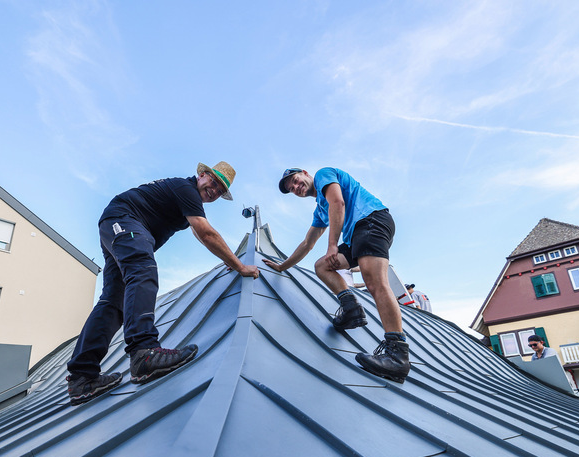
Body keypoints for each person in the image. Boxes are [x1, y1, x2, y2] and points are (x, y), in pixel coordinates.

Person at [66, 162, 260, 405]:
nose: (215, 190)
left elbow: (198, 233)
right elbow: (206, 232)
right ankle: (144, 353)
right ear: (202, 175)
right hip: (124, 220)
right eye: (214, 182)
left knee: (114, 300)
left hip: (115, 226)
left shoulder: (185, 196)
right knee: (142, 268)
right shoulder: (186, 188)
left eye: (221, 190)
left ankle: (82, 377)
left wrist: (227, 259)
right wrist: (240, 265)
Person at [263, 167, 410, 383]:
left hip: (371, 220)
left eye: (295, 181)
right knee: (322, 266)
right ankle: (352, 310)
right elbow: (307, 243)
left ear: (305, 173)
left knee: (375, 281)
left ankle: (398, 355)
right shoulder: (321, 209)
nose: (295, 188)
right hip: (356, 235)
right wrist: (282, 267)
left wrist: (332, 245)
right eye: (291, 189)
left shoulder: (324, 174)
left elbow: (338, 203)